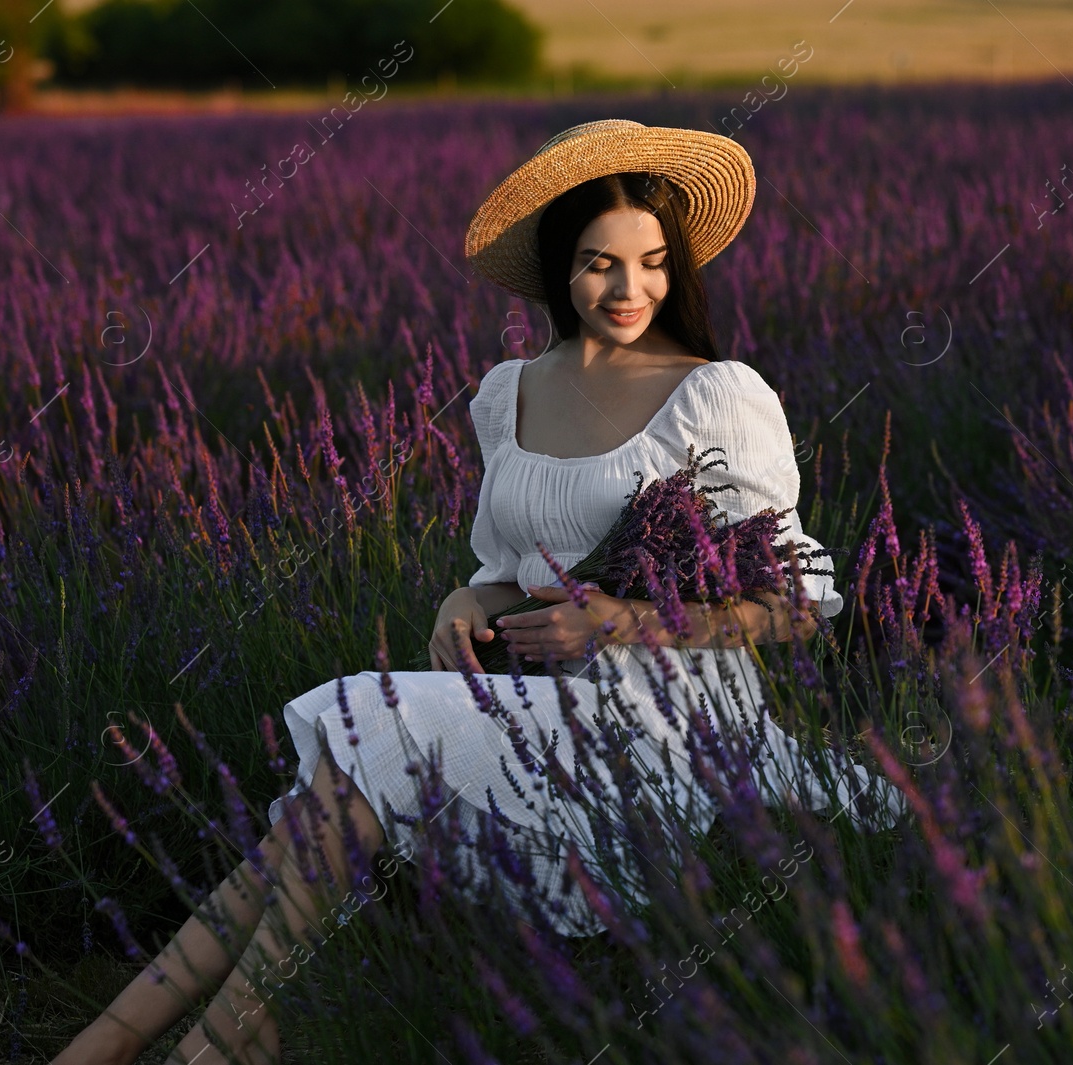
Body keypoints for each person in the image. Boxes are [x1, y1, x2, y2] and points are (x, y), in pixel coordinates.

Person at [52, 118, 903, 1065]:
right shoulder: (509, 392)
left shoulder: (717, 396)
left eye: (654, 263)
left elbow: (795, 600)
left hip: (672, 721)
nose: (629, 290)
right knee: (336, 785)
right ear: (555, 269)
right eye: (598, 264)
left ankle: (173, 1047)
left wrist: (630, 619)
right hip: (544, 703)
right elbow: (509, 570)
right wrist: (466, 604)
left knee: (359, 727)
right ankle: (165, 1044)